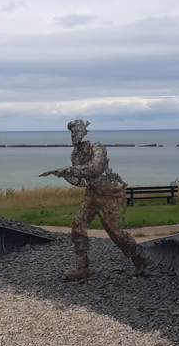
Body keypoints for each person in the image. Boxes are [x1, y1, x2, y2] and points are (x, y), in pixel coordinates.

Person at [40, 119, 149, 279]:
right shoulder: (75, 155)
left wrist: (69, 169)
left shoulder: (97, 148)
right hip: (92, 193)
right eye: (71, 132)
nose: (73, 135)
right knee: (78, 228)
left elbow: (96, 169)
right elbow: (82, 182)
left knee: (116, 233)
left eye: (76, 131)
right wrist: (65, 175)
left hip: (111, 193)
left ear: (84, 132)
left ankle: (140, 260)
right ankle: (82, 268)